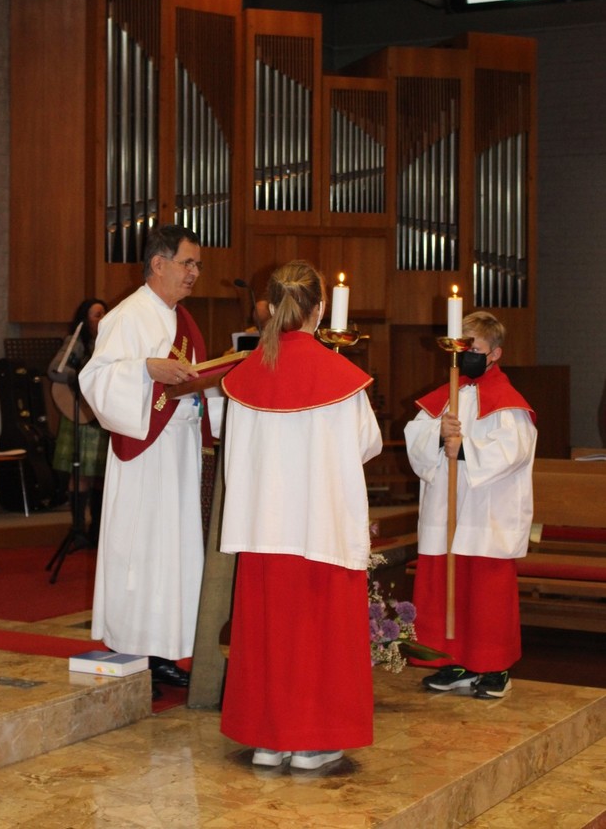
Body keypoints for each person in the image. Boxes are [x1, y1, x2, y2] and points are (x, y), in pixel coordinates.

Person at [219, 259, 383, 771]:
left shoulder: (244, 377)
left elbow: (232, 450)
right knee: (318, 636)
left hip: (263, 528)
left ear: (269, 307)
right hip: (320, 526)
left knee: (269, 634)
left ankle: (269, 741)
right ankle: (313, 742)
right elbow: (367, 444)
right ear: (321, 309)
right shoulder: (342, 378)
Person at [79, 225, 222, 693]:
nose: (195, 272)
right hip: (145, 454)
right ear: (158, 264)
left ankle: (161, 651)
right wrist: (145, 369)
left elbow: (194, 382)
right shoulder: (128, 316)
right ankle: (133, 650)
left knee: (172, 553)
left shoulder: (184, 320)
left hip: (180, 452)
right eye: (187, 263)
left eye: (198, 265)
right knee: (141, 551)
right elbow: (94, 380)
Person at [404, 311, 537, 700]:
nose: (466, 355)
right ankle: (455, 662)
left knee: (486, 596)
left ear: (494, 353)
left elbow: (515, 450)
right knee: (447, 590)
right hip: (445, 512)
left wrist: (463, 449)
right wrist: (437, 433)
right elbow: (415, 438)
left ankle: (495, 668)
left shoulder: (508, 402)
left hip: (485, 515)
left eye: (474, 348)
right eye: (461, 347)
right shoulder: (447, 393)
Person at [47, 298, 109, 544]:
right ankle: (78, 529)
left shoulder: (110, 343)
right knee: (81, 474)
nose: (101, 319)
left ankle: (97, 529)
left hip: (101, 415)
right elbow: (55, 370)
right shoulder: (77, 342)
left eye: (104, 314)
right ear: (85, 319)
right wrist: (83, 376)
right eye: (96, 315)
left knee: (101, 474)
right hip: (81, 414)